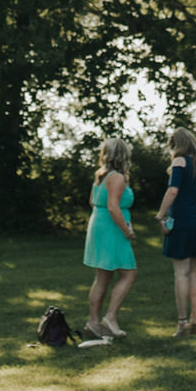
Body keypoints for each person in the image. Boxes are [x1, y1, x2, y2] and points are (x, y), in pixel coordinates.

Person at [153, 127, 196, 337]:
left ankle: (182, 322)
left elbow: (173, 191)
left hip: (181, 221)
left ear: (177, 145)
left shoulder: (179, 162)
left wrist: (161, 215)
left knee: (180, 272)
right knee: (194, 271)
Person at [82, 136, 138, 340]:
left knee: (102, 277)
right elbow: (114, 207)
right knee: (129, 273)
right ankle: (110, 318)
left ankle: (93, 323)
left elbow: (92, 201)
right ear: (123, 156)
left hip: (99, 223)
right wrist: (127, 231)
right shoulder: (117, 178)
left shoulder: (100, 175)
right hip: (112, 228)